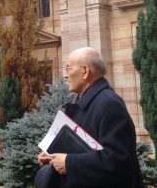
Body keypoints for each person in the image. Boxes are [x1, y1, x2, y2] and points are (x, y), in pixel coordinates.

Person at [36, 47, 144, 188]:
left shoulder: (109, 104)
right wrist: (52, 155)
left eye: (68, 68)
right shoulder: (85, 100)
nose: (65, 75)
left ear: (85, 71)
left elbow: (119, 160)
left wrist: (69, 163)